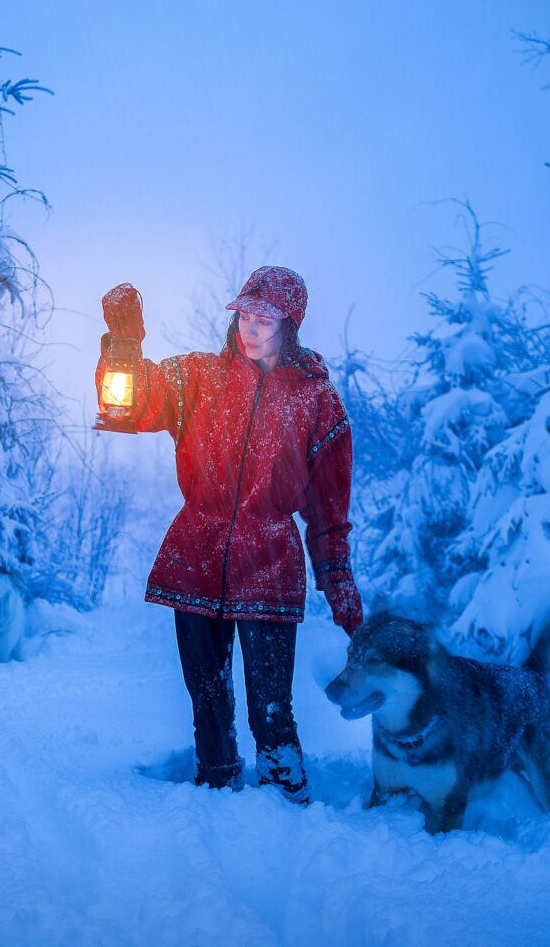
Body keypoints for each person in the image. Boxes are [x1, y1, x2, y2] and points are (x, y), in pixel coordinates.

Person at [97, 266, 363, 801]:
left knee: (272, 705)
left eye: (266, 318)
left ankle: (286, 798)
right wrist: (124, 348)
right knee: (208, 699)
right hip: (195, 553)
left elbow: (329, 513)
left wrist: (339, 588)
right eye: (245, 314)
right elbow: (130, 403)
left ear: (290, 325)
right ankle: (215, 789)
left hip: (269, 563)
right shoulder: (199, 377)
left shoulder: (317, 402)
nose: (252, 328)